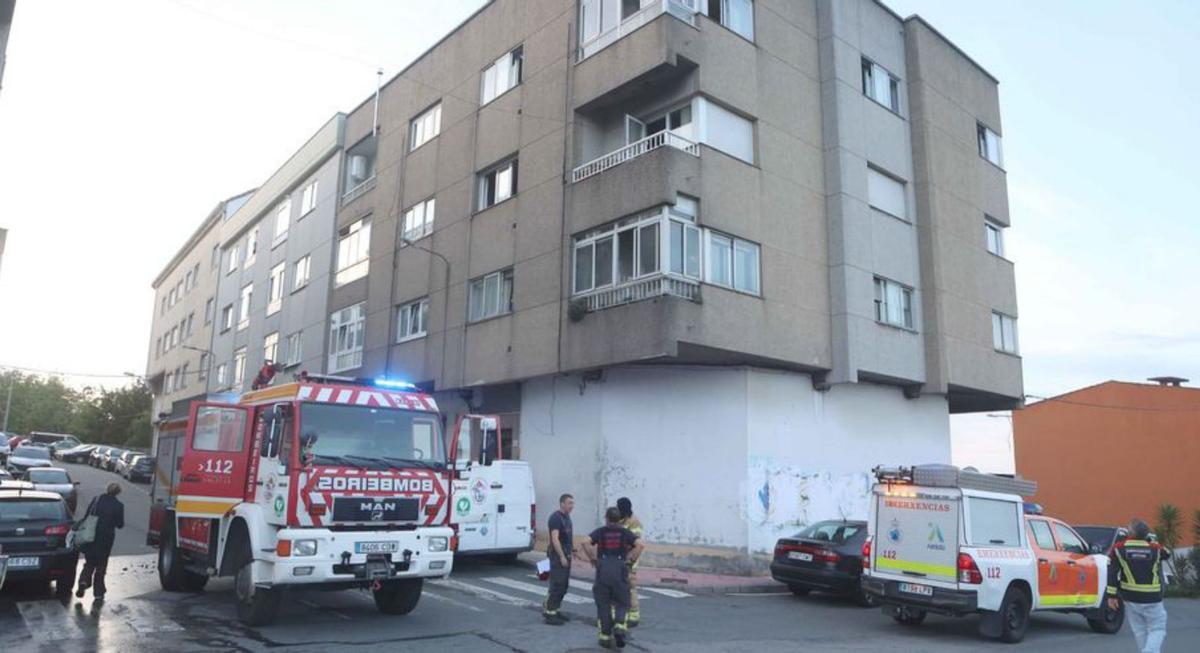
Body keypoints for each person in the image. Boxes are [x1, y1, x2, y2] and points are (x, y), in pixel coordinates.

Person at [582, 506, 644, 649]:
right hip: (620, 567)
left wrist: (593, 559)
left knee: (603, 604)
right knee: (622, 601)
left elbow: (585, 541)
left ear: (607, 518)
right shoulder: (625, 533)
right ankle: (620, 626)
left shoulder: (601, 532)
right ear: (620, 519)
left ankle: (605, 637)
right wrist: (630, 561)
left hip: (603, 568)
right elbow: (640, 545)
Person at [1108, 518, 1168, 653]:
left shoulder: (1118, 548)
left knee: (1139, 630)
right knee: (1157, 629)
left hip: (1130, 597)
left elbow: (1112, 573)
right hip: (1152, 597)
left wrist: (1111, 596)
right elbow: (1167, 554)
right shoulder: (1155, 548)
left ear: (1130, 532)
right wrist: (1151, 541)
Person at [76, 483, 125, 602]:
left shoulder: (96, 500)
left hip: (91, 535)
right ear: (118, 492)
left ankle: (83, 580)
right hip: (106, 538)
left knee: (89, 562)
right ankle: (98, 592)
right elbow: (120, 524)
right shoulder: (118, 505)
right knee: (101, 565)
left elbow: (87, 515)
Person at [542, 493, 575, 625]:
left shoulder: (567, 517)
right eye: (569, 503)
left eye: (573, 503)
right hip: (557, 556)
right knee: (557, 584)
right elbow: (555, 539)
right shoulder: (555, 518)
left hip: (567, 555)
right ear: (562, 504)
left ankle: (555, 609)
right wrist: (561, 556)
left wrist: (572, 551)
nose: (572, 506)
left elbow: (567, 537)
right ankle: (549, 613)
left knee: (564, 585)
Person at [616, 497, 644, 627]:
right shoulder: (624, 519)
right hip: (621, 559)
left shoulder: (634, 523)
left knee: (630, 587)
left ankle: (633, 615)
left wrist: (629, 561)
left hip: (630, 560)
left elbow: (635, 544)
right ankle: (625, 613)